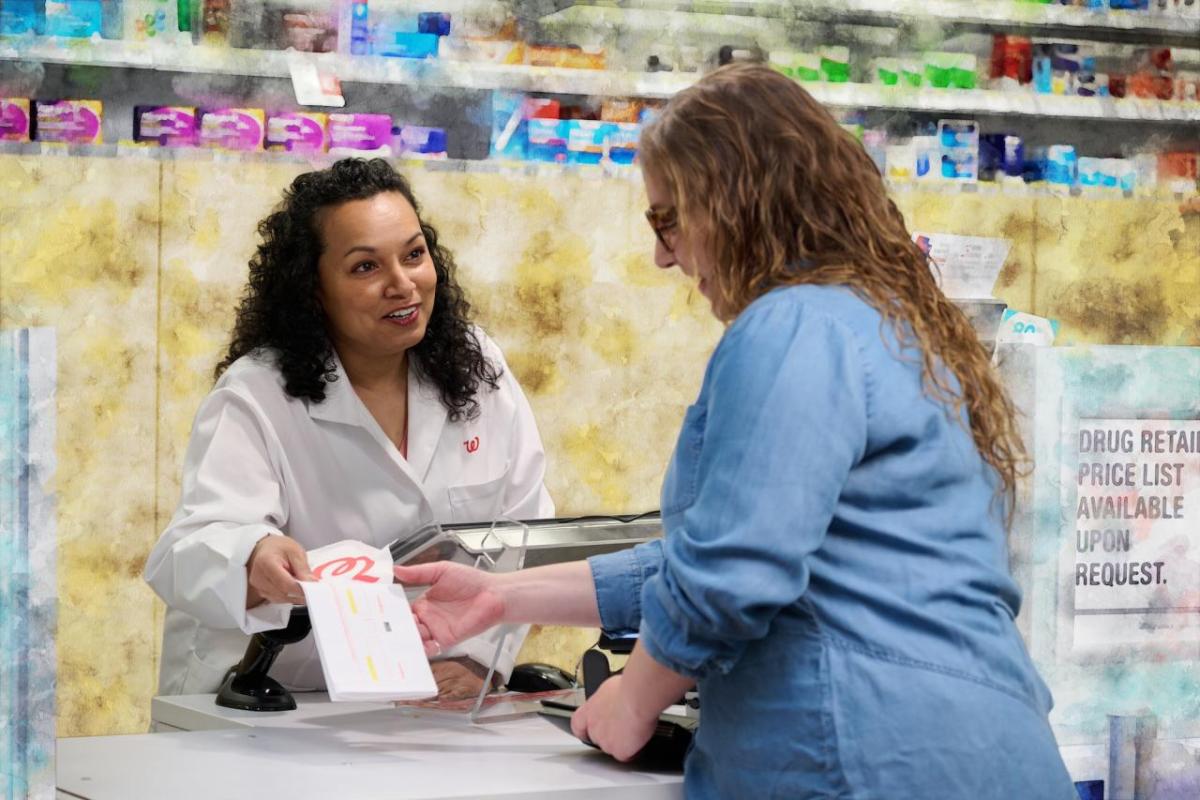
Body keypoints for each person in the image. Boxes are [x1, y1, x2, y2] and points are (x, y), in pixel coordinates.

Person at [396, 64, 1076, 798]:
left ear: (736, 201)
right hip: (986, 750)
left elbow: (734, 570)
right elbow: (741, 558)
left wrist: (635, 700)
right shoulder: (896, 329)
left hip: (864, 755)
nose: (663, 255)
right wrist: (504, 597)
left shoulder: (792, 326)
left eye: (667, 220)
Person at [144, 158, 554, 700]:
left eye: (414, 255)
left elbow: (526, 531)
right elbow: (187, 550)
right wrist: (253, 556)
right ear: (313, 290)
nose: (402, 284)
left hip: (424, 695)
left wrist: (484, 660)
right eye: (366, 267)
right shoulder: (257, 394)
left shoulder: (478, 367)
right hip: (270, 697)